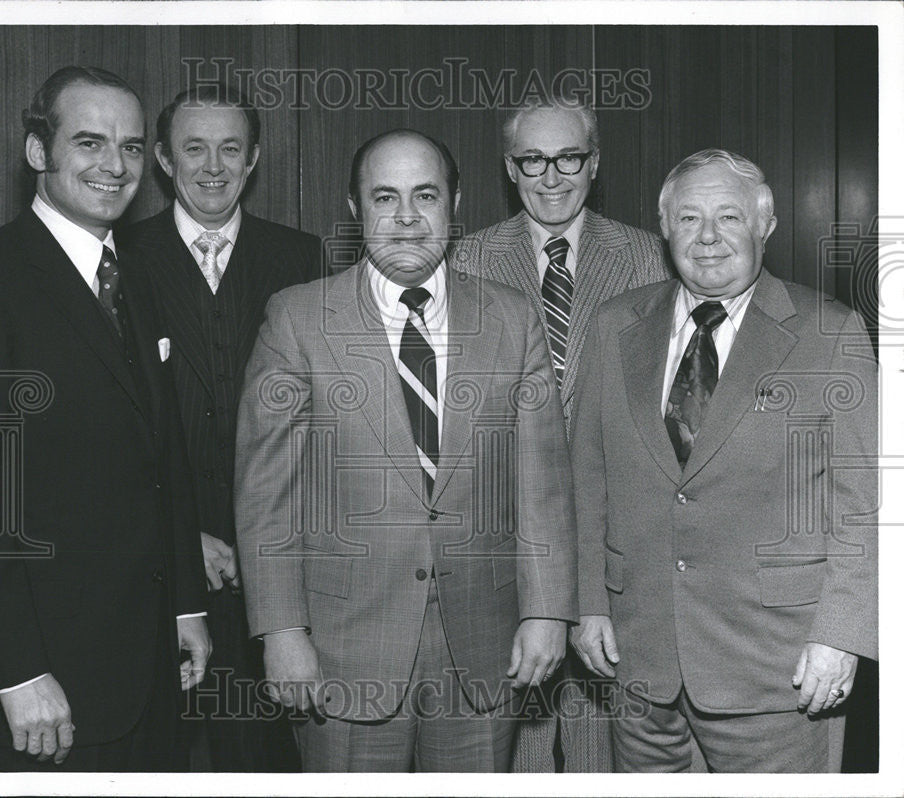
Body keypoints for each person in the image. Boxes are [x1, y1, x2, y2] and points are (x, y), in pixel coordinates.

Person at [233, 129, 577, 771]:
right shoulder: (298, 319)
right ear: (357, 209)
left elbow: (542, 483)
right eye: (385, 198)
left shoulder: (512, 318)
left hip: (484, 646)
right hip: (343, 649)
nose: (407, 218)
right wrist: (281, 631)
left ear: (454, 205)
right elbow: (265, 494)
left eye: (426, 195)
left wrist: (549, 610)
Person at [0, 65, 210, 771]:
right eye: (90, 142)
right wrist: (14, 672)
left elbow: (162, 458)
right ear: (36, 153)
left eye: (134, 147)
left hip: (144, 675)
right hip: (40, 694)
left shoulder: (133, 276)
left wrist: (185, 605)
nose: (116, 166)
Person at [570, 149, 877, 772]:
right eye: (688, 219)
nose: (707, 237)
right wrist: (589, 605)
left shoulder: (830, 333)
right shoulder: (613, 326)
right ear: (664, 229)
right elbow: (588, 475)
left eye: (729, 217)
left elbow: (865, 505)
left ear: (765, 226)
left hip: (778, 672)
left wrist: (841, 636)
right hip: (639, 661)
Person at [453, 97, 670, 772]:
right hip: (506, 545)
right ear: (510, 169)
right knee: (506, 746)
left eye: (569, 157)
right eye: (533, 160)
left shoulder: (650, 258)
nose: (551, 176)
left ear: (594, 163)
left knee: (602, 747)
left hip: (616, 547)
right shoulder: (465, 260)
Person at [123, 84, 320, 772]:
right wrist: (182, 536)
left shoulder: (304, 258)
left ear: (254, 158)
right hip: (151, 573)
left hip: (276, 577)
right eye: (194, 148)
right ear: (163, 161)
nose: (213, 166)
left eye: (230, 148)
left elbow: (323, 424)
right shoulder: (118, 257)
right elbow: (112, 435)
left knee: (267, 763)